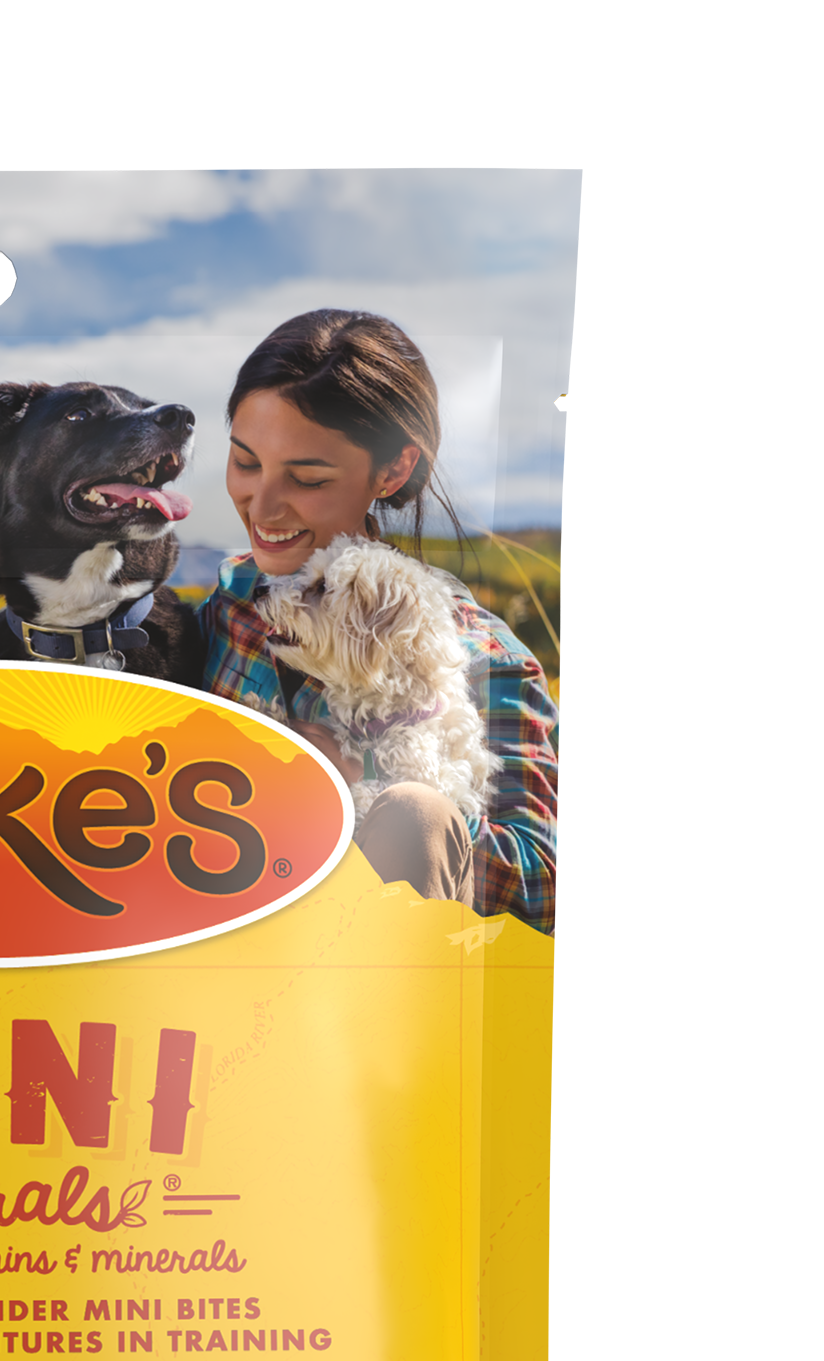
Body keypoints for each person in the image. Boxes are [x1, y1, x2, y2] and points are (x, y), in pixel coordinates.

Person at [198, 310, 558, 929]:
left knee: (417, 814)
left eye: (306, 477)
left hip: (376, 974)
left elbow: (537, 893)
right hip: (210, 951)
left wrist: (374, 792)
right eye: (246, 462)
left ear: (392, 470)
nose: (262, 506)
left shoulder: (489, 663)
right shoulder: (230, 608)